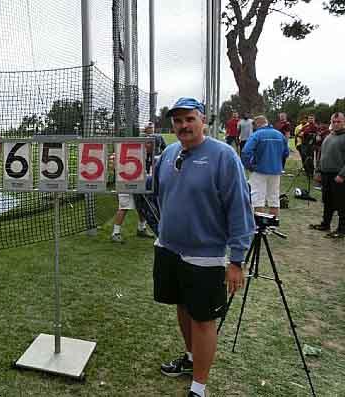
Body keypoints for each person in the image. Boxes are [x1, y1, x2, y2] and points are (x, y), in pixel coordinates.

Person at [153, 98, 255, 397]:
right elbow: (156, 188)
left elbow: (240, 207)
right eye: (178, 121)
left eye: (189, 120)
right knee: (182, 307)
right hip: (168, 248)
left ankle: (199, 387)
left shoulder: (223, 156)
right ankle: (190, 358)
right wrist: (125, 174)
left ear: (203, 121)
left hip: (205, 255)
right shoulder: (169, 153)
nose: (183, 126)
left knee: (203, 317)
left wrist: (237, 260)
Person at [110, 123, 165, 242]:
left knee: (142, 205)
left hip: (141, 181)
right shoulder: (133, 150)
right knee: (124, 206)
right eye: (150, 143)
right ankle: (115, 232)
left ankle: (141, 229)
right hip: (126, 181)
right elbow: (116, 163)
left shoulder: (153, 154)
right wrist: (115, 163)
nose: (153, 146)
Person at [241, 115, 290, 217]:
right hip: (275, 171)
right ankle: (273, 224)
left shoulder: (257, 135)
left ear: (257, 124)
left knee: (258, 198)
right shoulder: (279, 135)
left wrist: (249, 166)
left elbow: (246, 152)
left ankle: (260, 225)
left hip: (259, 170)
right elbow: (286, 153)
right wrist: (278, 163)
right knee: (274, 198)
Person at [309, 112, 345, 238]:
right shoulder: (329, 136)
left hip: (339, 176)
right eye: (333, 122)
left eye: (338, 121)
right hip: (326, 174)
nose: (335, 124)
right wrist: (318, 171)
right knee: (327, 200)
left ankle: (341, 229)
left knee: (341, 203)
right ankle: (325, 224)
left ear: (343, 122)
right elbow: (322, 156)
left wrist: (342, 175)